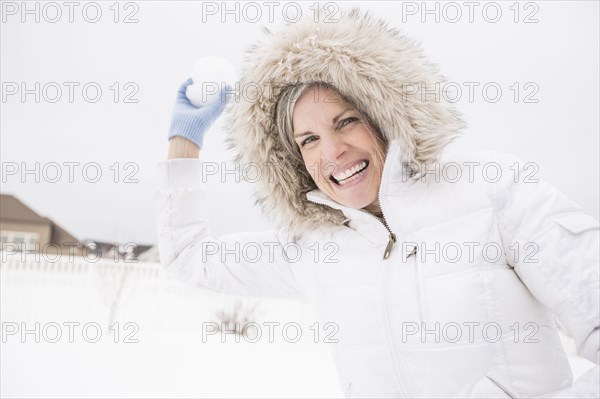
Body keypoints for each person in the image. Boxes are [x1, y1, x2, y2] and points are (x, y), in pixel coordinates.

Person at [157, 8, 599, 398]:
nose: (331, 153)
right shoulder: (313, 246)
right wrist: (185, 141)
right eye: (308, 139)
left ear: (386, 115)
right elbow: (190, 258)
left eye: (345, 121)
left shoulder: (493, 192)